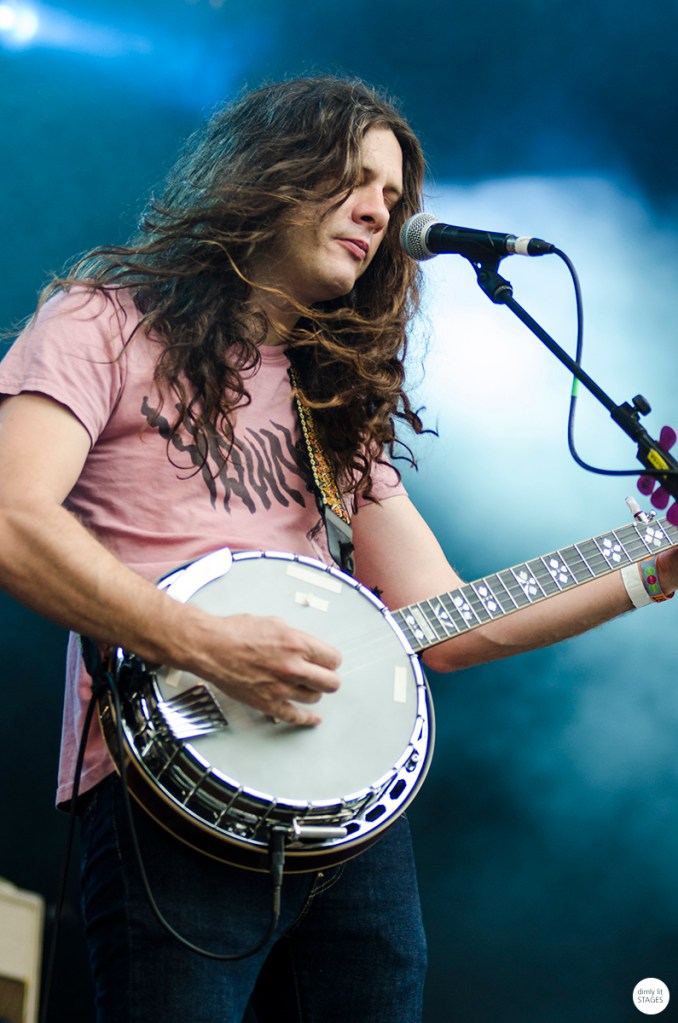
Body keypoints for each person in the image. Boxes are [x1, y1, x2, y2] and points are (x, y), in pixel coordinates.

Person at [0, 75, 675, 1023]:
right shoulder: (101, 320)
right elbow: (11, 518)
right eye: (355, 179)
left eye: (393, 197)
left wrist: (650, 570)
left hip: (348, 817)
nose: (379, 211)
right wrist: (202, 642)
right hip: (168, 779)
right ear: (270, 171)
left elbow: (447, 620)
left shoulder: (336, 404)